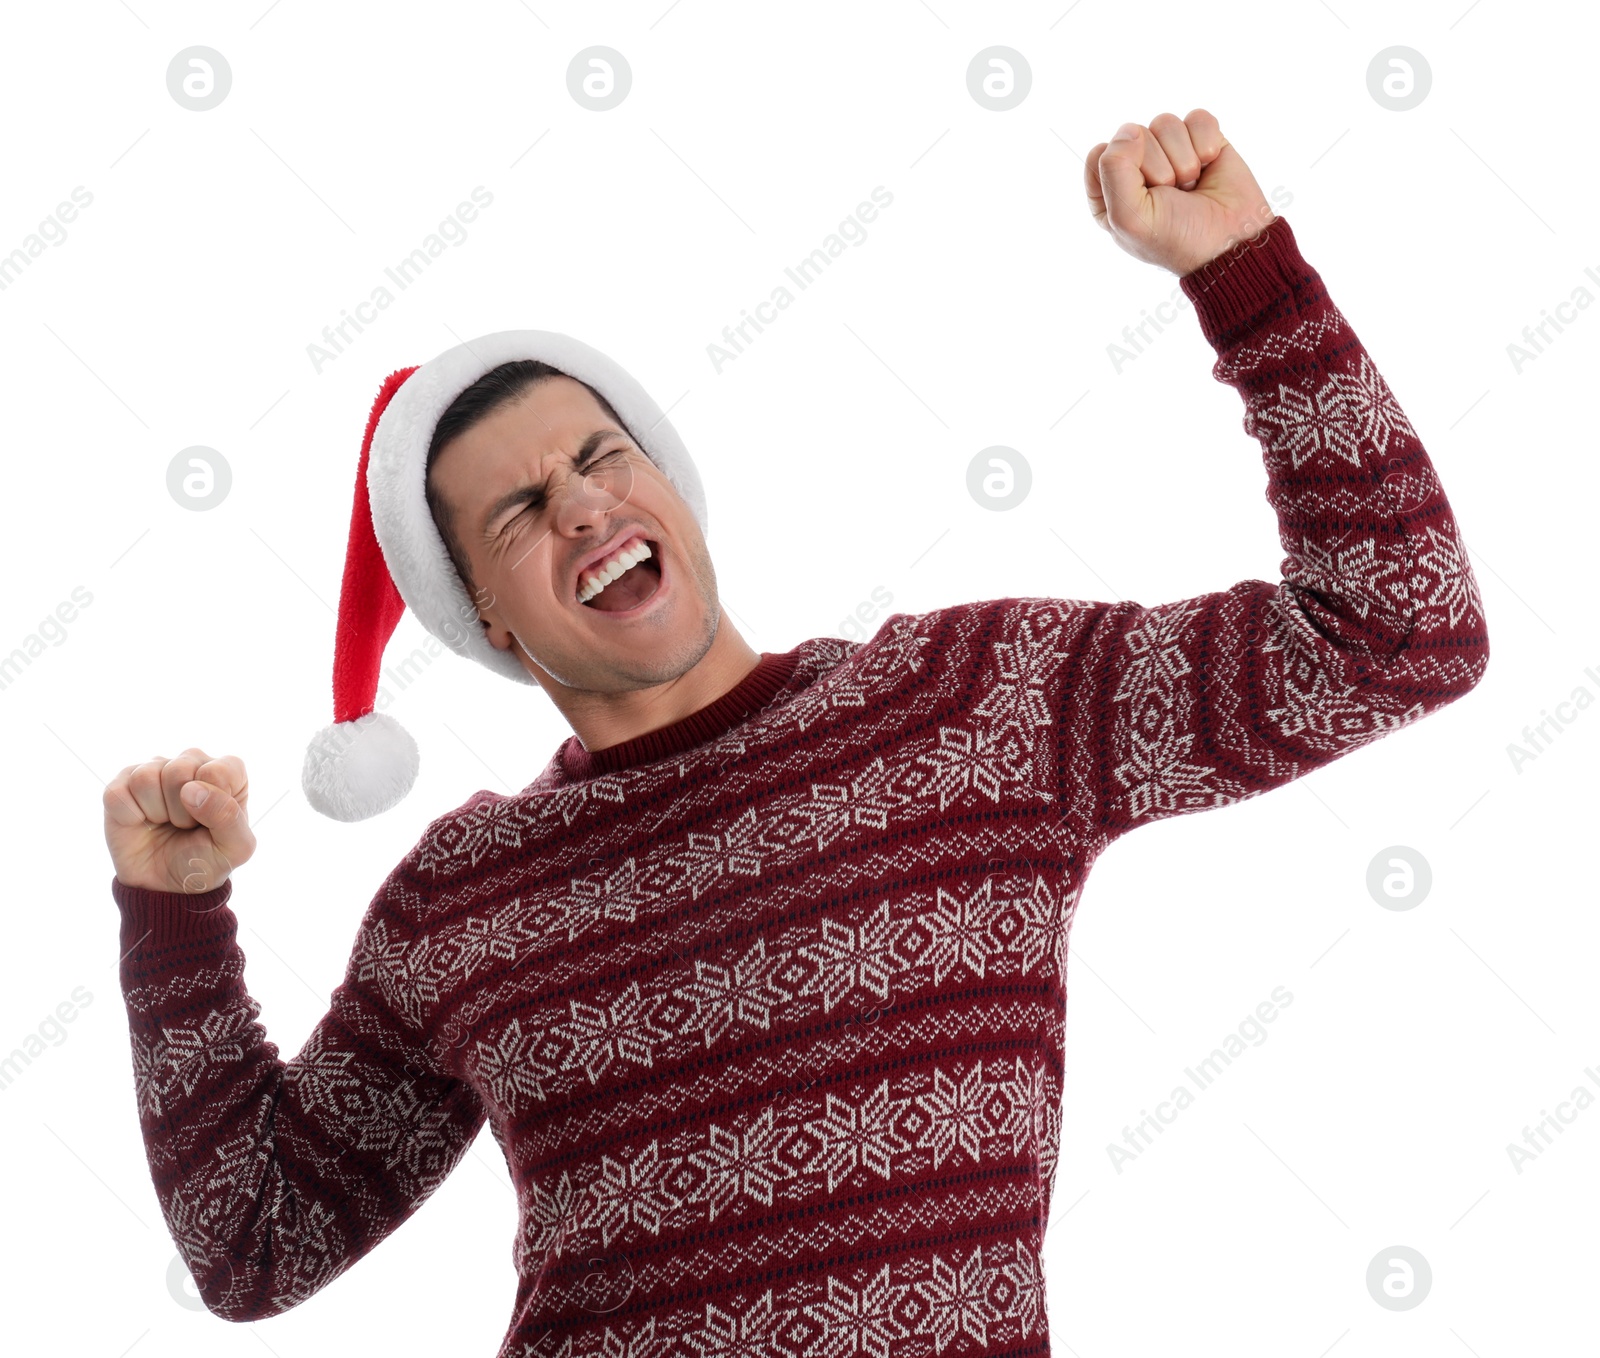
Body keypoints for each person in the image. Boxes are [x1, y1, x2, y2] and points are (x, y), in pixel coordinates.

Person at [103, 110, 1489, 1358]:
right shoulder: (458, 900)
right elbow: (256, 1244)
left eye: (601, 458)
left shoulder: (975, 703)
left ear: (670, 489)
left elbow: (1400, 633)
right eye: (520, 515)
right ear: (489, 626)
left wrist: (1244, 272)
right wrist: (174, 915)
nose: (584, 508)